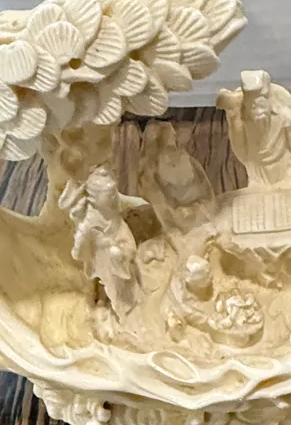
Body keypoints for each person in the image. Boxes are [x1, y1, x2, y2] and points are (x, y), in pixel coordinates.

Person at [217, 70, 291, 191]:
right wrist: (233, 117)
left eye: (261, 104)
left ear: (269, 101)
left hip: (285, 169)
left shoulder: (286, 118)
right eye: (252, 106)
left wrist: (290, 170)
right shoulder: (243, 121)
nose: (258, 111)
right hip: (256, 173)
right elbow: (241, 151)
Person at [69, 166, 140, 316]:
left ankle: (125, 304)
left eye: (113, 194)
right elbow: (80, 243)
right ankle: (118, 308)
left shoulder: (114, 217)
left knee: (126, 281)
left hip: (118, 257)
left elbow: (123, 233)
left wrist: (123, 250)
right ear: (94, 199)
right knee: (110, 284)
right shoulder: (90, 220)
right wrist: (82, 246)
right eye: (108, 196)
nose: (112, 198)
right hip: (102, 258)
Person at [137, 120, 216, 236]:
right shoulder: (151, 171)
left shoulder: (188, 160)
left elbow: (206, 188)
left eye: (172, 136)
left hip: (201, 211)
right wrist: (173, 212)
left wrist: (203, 205)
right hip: (177, 216)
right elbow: (159, 202)